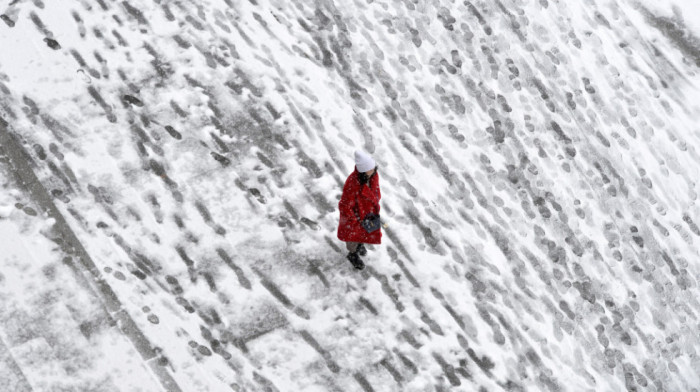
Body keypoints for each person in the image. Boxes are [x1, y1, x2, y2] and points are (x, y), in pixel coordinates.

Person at [337, 150, 382, 270]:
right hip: (355, 216)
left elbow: (375, 190)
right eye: (370, 168)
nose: (374, 170)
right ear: (363, 170)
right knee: (353, 237)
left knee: (364, 232)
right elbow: (344, 205)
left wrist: (376, 200)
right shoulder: (352, 183)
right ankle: (352, 255)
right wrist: (353, 219)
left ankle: (360, 244)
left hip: (367, 212)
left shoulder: (372, 174)